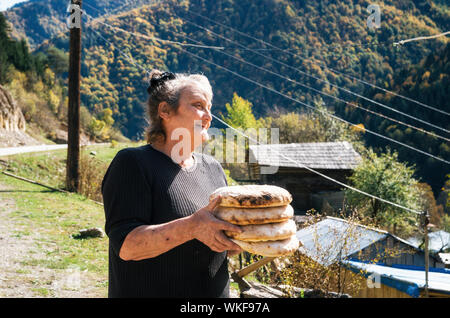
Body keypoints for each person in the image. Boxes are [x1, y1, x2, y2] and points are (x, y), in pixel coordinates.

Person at [101, 70, 243, 298]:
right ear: (165, 110)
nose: (208, 116)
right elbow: (127, 247)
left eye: (210, 108)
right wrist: (192, 227)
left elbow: (211, 243)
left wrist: (236, 240)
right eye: (198, 105)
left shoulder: (213, 168)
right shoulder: (133, 163)